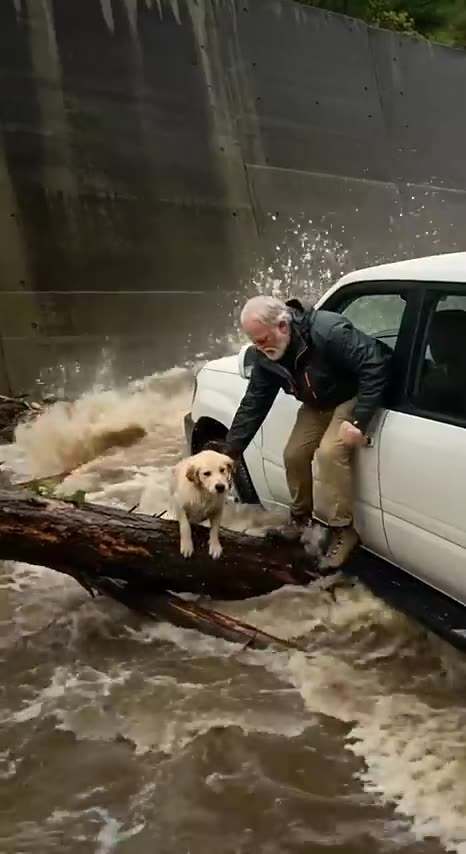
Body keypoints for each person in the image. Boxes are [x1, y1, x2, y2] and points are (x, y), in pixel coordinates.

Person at [223, 294, 392, 570]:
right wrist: (231, 453)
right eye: (254, 342)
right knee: (293, 454)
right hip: (318, 403)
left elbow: (375, 364)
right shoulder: (268, 357)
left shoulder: (328, 331)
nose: (259, 347)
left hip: (352, 395)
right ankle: (300, 519)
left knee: (329, 452)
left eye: (262, 339)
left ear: (282, 325)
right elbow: (254, 403)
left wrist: (359, 421)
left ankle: (343, 530)